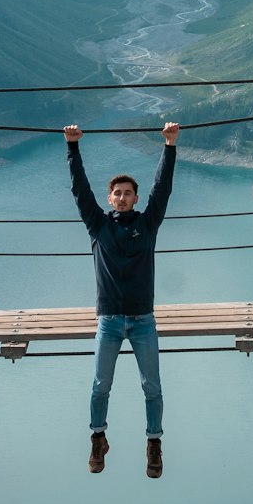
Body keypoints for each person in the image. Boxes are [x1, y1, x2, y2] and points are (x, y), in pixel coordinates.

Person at [63, 120, 179, 479]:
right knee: (100, 386)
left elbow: (163, 189)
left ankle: (154, 444)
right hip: (110, 321)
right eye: (118, 192)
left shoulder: (147, 224)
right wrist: (72, 147)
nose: (123, 197)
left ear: (136, 198)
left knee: (152, 387)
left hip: (143, 320)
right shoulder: (98, 226)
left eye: (129, 192)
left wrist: (170, 146)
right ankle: (98, 439)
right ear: (110, 197)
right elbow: (79, 190)